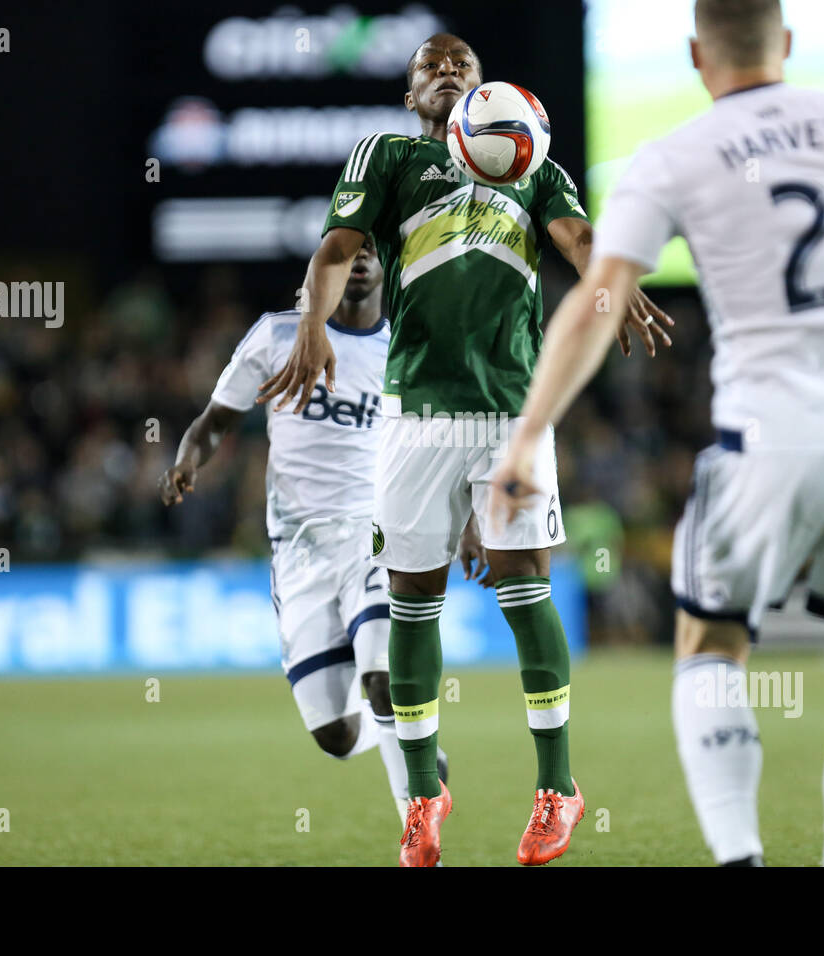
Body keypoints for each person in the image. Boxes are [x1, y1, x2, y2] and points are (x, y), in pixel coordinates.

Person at [490, 0, 824, 867]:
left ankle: (742, 859)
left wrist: (526, 437)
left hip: (766, 441)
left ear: (698, 54)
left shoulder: (672, 156)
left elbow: (600, 298)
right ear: (790, 44)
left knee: (710, 645)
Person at [257, 33, 673, 866]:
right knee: (412, 599)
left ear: (490, 93)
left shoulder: (532, 159)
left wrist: (615, 282)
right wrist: (311, 325)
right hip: (412, 417)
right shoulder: (390, 157)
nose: (447, 73)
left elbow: (578, 239)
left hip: (512, 414)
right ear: (414, 96)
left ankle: (558, 788)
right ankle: (420, 796)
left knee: (525, 588)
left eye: (463, 66)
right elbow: (339, 248)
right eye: (430, 68)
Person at [161, 237, 475, 825]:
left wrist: (471, 520)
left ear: (386, 269)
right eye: (344, 253)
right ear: (320, 268)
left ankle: (417, 821)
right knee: (333, 733)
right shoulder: (277, 337)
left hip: (375, 533)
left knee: (382, 674)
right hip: (298, 548)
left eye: (369, 254)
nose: (357, 263)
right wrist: (186, 460)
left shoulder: (406, 347)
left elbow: (446, 440)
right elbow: (214, 420)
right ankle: (416, 750)